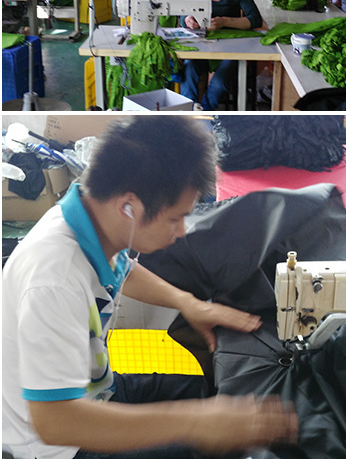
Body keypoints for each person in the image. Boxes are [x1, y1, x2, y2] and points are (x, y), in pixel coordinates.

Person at [1, 116, 298, 459]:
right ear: (128, 207)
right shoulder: (53, 280)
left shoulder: (89, 218)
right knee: (209, 442)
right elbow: (55, 422)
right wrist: (194, 423)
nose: (182, 231)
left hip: (99, 390)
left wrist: (187, 303)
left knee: (214, 397)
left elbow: (123, 269)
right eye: (175, 218)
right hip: (59, 445)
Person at [180, 0, 263, 110]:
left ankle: (205, 111)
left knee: (219, 82)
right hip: (201, 45)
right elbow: (183, 15)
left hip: (230, 47)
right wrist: (187, 19)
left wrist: (225, 21)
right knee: (188, 70)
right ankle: (188, 113)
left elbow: (255, 19)